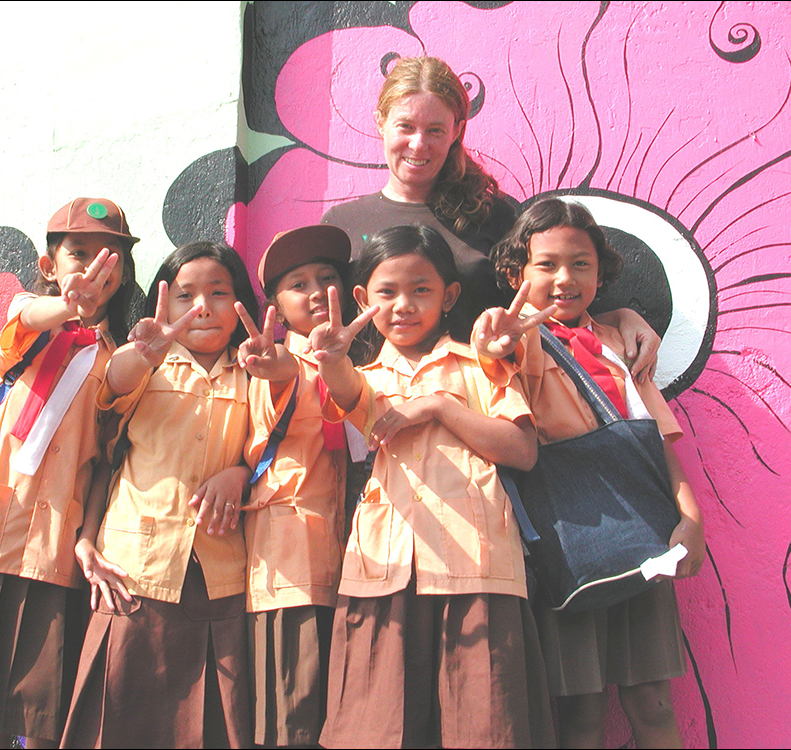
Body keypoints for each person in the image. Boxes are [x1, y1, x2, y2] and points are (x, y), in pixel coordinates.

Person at [307, 224, 557, 748]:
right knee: (377, 727)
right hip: (384, 570)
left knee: (483, 725)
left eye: (422, 289)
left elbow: (522, 451)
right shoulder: (368, 375)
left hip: (478, 568)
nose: (404, 305)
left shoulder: (482, 364)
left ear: (450, 296)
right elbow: (351, 396)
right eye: (387, 292)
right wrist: (332, 362)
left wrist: (440, 406)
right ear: (361, 300)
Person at [473, 197, 705, 748]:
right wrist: (497, 346)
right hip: (568, 549)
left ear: (601, 273)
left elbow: (654, 444)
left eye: (581, 263)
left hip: (646, 540)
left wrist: (691, 518)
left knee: (652, 703)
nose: (564, 278)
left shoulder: (621, 344)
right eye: (545, 264)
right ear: (515, 274)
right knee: (581, 712)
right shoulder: (513, 339)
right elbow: (494, 355)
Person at [0, 197, 138, 749]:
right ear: (49, 265)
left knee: (42, 706)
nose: (91, 267)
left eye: (108, 256)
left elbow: (106, 461)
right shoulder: (30, 321)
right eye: (77, 253)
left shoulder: (120, 360)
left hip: (54, 546)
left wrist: (87, 538)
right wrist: (67, 306)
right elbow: (31, 316)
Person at [60, 241, 291, 749]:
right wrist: (142, 355)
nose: (202, 306)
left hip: (219, 574)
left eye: (218, 292)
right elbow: (112, 399)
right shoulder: (148, 362)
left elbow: (275, 440)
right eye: (185, 295)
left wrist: (239, 473)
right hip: (133, 570)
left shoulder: (255, 371)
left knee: (208, 726)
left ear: (242, 307)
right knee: (117, 719)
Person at [321, 55, 659, 377]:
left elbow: (543, 303)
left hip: (484, 408)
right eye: (405, 126)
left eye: (435, 130)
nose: (418, 144)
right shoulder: (341, 224)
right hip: (373, 408)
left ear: (457, 130)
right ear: (380, 122)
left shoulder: (491, 215)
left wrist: (619, 317)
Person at [237, 224, 355, 747]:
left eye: (326, 278)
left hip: (361, 566)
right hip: (294, 567)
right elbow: (288, 373)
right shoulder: (270, 364)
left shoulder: (363, 363)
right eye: (297, 284)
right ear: (277, 310)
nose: (314, 292)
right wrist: (279, 363)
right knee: (295, 719)